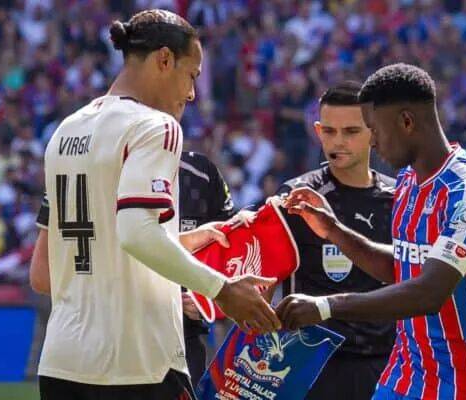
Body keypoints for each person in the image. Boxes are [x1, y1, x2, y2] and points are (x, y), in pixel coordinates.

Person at [29, 9, 279, 400]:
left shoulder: (66, 130)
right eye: (191, 75)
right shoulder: (155, 126)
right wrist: (223, 290)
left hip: (62, 364)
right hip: (138, 364)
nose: (192, 93)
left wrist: (183, 241)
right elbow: (137, 232)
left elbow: (70, 259)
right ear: (164, 60)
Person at [277, 64, 466, 400]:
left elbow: (429, 292)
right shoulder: (407, 181)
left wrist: (326, 306)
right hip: (403, 376)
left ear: (406, 122)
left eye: (374, 129)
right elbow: (402, 267)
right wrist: (333, 230)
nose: (372, 143)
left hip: (465, 383)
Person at [274, 81, 395, 399]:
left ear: (374, 132)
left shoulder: (398, 199)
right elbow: (262, 273)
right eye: (329, 131)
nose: (338, 141)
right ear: (317, 131)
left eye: (351, 131)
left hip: (384, 365)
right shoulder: (297, 196)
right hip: (311, 368)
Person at [178, 151, 235, 387]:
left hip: (185, 335)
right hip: (126, 333)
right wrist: (169, 298)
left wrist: (205, 296)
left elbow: (229, 245)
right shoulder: (114, 169)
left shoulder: (202, 172)